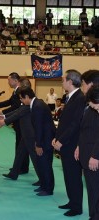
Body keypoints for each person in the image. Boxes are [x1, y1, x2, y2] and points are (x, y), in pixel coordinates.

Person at [52, 69, 85, 217]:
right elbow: (64, 122)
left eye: (63, 80)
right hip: (66, 143)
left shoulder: (79, 98)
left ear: (70, 82)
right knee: (68, 176)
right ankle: (72, 201)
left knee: (74, 176)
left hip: (71, 144)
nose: (62, 82)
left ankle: (77, 207)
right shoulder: (70, 97)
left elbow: (74, 124)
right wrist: (56, 137)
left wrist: (61, 140)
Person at [0, 80, 40, 186]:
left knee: (35, 158)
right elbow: (18, 110)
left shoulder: (30, 101)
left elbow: (18, 114)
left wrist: (4, 121)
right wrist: (4, 116)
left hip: (30, 134)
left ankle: (42, 178)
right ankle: (13, 173)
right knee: (20, 153)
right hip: (25, 133)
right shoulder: (25, 100)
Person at [0, 72, 29, 174]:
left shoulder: (20, 91)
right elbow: (9, 102)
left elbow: (16, 107)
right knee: (20, 144)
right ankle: (21, 166)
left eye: (9, 80)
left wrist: (3, 113)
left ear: (15, 81)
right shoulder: (16, 91)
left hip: (21, 121)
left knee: (21, 144)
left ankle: (22, 167)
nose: (8, 82)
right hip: (18, 120)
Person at [75, 70, 99, 220]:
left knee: (95, 191)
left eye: (83, 84)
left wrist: (95, 155)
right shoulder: (91, 103)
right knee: (91, 190)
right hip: (86, 151)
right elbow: (84, 129)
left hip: (94, 155)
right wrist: (79, 145)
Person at [23, 87, 55, 196]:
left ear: (27, 97)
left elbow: (39, 127)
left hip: (45, 140)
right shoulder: (38, 103)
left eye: (22, 99)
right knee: (42, 164)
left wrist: (38, 144)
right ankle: (43, 185)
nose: (21, 101)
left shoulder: (37, 106)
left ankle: (48, 188)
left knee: (45, 164)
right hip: (45, 138)